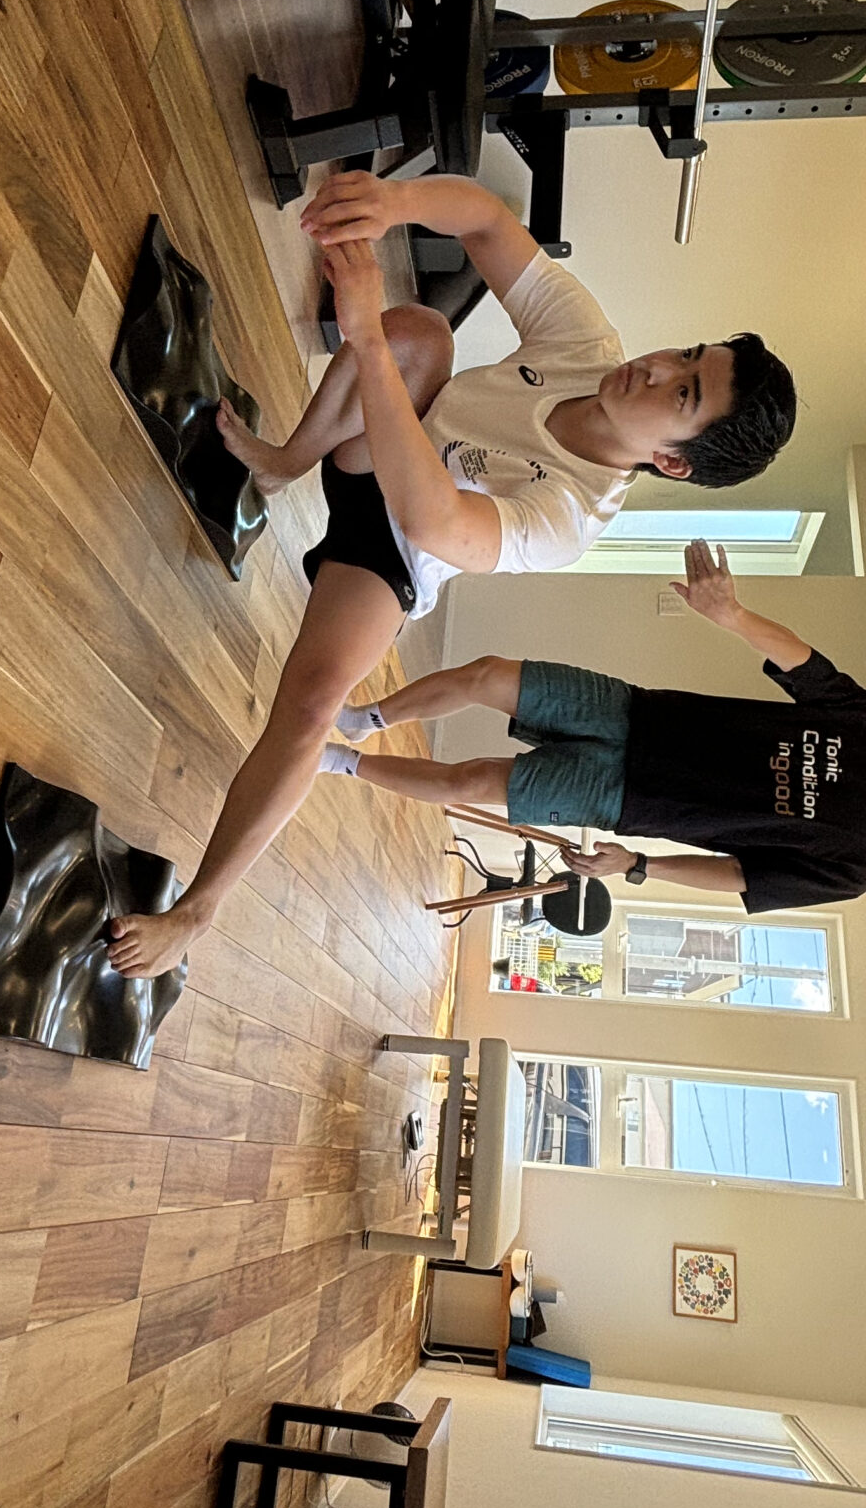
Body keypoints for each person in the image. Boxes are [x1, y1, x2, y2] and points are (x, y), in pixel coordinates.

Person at [108, 171, 799, 975]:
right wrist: (391, 205)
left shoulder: (571, 518)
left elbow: (431, 520)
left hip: (395, 548)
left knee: (312, 705)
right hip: (380, 443)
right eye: (685, 354)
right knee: (421, 332)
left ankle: (196, 913)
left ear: (672, 461)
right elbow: (485, 220)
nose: (654, 369)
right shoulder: (589, 347)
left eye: (682, 392)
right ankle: (281, 467)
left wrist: (364, 339)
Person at [323, 540, 866, 910]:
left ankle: (336, 761)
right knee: (488, 674)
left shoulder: (857, 866)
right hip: (636, 711)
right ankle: (363, 717)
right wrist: (731, 615)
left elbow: (739, 877)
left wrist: (638, 867)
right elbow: (800, 662)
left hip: (624, 797)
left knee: (470, 780)